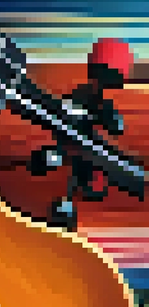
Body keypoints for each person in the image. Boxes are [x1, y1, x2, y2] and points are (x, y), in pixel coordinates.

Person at [29, 37, 134, 231]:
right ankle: (64, 208)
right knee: (50, 162)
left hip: (81, 148)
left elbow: (116, 127)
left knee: (83, 179)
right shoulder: (82, 95)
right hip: (71, 144)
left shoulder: (100, 103)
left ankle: (66, 207)